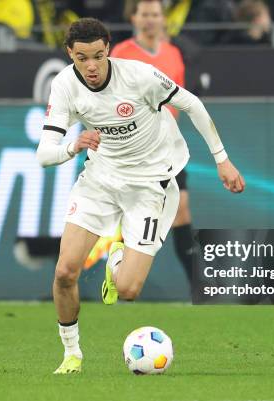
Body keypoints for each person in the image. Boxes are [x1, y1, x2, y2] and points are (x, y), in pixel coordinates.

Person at [36, 17, 245, 374]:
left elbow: (192, 104)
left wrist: (222, 161)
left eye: (98, 57)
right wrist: (74, 146)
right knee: (65, 272)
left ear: (108, 52)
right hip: (100, 180)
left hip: (151, 185)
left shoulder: (139, 76)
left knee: (129, 289)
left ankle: (115, 261)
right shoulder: (65, 86)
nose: (91, 66)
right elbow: (44, 154)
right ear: (70, 54)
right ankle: (72, 354)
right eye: (82, 58)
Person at [111, 0, 196, 285]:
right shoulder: (121, 54)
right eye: (144, 14)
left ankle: (199, 284)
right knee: (127, 215)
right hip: (134, 149)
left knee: (181, 209)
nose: (150, 20)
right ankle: (116, 277)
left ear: (163, 19)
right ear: (133, 18)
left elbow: (178, 104)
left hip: (167, 150)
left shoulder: (173, 54)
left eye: (155, 14)